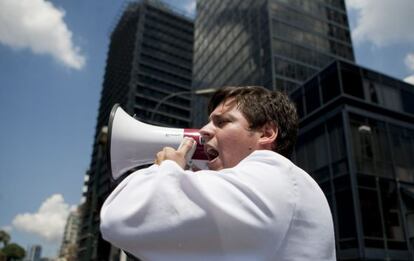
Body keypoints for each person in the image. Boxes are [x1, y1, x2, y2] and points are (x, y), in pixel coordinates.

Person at [100, 86, 336, 261]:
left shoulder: (273, 176)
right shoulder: (288, 185)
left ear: (266, 133)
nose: (202, 130)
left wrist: (168, 169)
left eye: (221, 122)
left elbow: (120, 218)